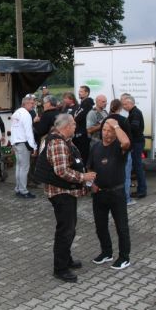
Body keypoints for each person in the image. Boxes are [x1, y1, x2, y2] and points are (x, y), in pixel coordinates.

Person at [46, 114, 96, 283]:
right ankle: (60, 268)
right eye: (74, 124)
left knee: (70, 229)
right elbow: (62, 171)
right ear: (66, 126)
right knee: (65, 231)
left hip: (67, 192)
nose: (76, 127)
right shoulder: (58, 143)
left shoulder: (65, 140)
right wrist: (83, 177)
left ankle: (66, 259)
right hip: (61, 193)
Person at [88, 118, 132, 270]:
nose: (106, 133)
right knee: (100, 226)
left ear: (115, 133)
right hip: (99, 193)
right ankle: (107, 252)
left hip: (116, 193)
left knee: (121, 227)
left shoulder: (119, 147)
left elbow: (126, 142)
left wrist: (116, 125)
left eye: (109, 131)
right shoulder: (96, 147)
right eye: (104, 130)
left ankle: (124, 257)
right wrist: (91, 184)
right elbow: (90, 168)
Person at [101, 99, 134, 205]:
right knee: (125, 175)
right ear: (120, 108)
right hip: (123, 150)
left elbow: (102, 136)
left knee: (109, 174)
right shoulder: (124, 120)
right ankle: (126, 199)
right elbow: (129, 137)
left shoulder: (105, 120)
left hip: (107, 150)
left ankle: (110, 198)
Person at [11, 94, 38, 199]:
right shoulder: (26, 115)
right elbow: (29, 132)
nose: (33, 105)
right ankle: (23, 190)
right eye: (31, 103)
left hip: (16, 143)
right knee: (24, 168)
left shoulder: (16, 113)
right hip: (23, 143)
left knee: (19, 167)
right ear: (25, 103)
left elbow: (13, 129)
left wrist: (12, 143)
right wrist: (34, 147)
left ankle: (18, 188)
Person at [122, 95, 147, 199]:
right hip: (136, 142)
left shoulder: (135, 113)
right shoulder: (133, 112)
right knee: (136, 166)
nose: (124, 106)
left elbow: (134, 127)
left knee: (138, 166)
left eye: (125, 104)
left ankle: (142, 190)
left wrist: (123, 127)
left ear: (131, 103)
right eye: (123, 104)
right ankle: (141, 189)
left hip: (137, 142)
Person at [73, 86, 94, 165]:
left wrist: (73, 119)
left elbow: (77, 117)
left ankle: (83, 169)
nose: (79, 93)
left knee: (83, 155)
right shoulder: (81, 104)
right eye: (79, 91)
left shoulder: (87, 104)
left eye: (81, 91)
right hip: (78, 133)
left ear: (87, 93)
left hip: (83, 135)